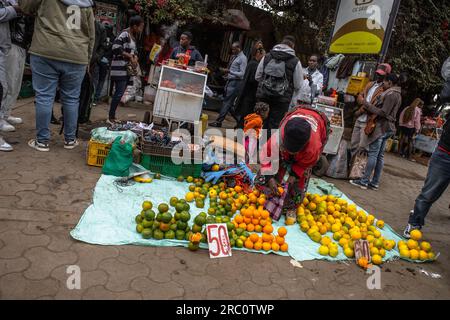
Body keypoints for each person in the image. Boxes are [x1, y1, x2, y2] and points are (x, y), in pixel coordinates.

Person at [19, 0, 95, 152]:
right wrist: (87, 59)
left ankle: (42, 141)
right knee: (72, 98)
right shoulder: (86, 3)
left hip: (46, 49)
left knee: (44, 96)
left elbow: (25, 7)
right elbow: (91, 35)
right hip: (76, 54)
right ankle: (70, 139)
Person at [259, 106, 329, 219]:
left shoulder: (313, 148)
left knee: (299, 180)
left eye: (294, 150)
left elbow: (304, 165)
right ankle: (269, 193)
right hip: (295, 116)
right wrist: (269, 178)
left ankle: (291, 206)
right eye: (287, 148)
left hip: (319, 122)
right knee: (272, 171)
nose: (290, 152)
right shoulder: (276, 139)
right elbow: (265, 157)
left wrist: (294, 176)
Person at [350, 73, 402, 190]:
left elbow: (383, 112)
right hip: (387, 127)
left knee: (373, 154)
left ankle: (364, 181)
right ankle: (374, 183)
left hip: (381, 126)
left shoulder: (391, 94)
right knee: (379, 156)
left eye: (384, 82)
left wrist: (366, 104)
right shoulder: (396, 93)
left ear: (389, 82)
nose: (382, 84)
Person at [255, 35, 304, 131]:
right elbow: (298, 85)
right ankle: (265, 145)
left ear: (281, 43)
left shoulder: (267, 56)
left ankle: (250, 144)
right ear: (292, 46)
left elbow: (257, 77)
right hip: (281, 100)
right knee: (273, 125)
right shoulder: (295, 61)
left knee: (258, 120)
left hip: (263, 96)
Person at [0, 11, 33, 135]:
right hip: (10, 42)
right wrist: (14, 9)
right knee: (7, 83)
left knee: (16, 83)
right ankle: (1, 117)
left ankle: (6, 113)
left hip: (21, 43)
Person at [108, 15, 145, 124]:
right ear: (134, 26)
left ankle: (112, 116)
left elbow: (135, 51)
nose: (141, 29)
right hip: (119, 68)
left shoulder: (134, 36)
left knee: (120, 93)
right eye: (141, 27)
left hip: (126, 69)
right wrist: (129, 56)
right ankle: (110, 117)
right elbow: (115, 47)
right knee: (119, 93)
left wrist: (135, 58)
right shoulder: (124, 34)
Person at [350, 63, 391, 157]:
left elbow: (373, 106)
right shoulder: (370, 84)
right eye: (378, 73)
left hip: (369, 121)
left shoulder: (385, 90)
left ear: (386, 76)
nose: (378, 76)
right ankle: (351, 168)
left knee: (362, 148)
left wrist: (363, 105)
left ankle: (357, 170)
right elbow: (360, 96)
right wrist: (363, 102)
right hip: (360, 118)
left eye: (381, 75)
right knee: (353, 145)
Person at [210, 42, 248, 127]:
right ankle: (241, 122)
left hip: (236, 83)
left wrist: (229, 71)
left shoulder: (243, 59)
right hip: (230, 81)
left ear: (239, 48)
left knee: (227, 102)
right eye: (232, 49)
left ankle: (219, 121)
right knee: (229, 103)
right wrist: (226, 75)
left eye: (234, 49)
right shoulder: (234, 57)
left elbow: (242, 74)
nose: (233, 51)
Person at [0, 0, 21, 152]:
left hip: (6, 45)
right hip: (5, 45)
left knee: (9, 85)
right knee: (2, 87)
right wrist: (13, 10)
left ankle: (4, 115)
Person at [235, 45, 266, 129]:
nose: (263, 58)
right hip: (250, 95)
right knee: (246, 116)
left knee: (244, 116)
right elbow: (253, 80)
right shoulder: (255, 64)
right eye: (263, 55)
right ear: (258, 53)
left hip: (246, 94)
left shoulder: (252, 63)